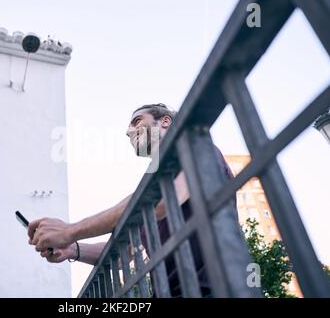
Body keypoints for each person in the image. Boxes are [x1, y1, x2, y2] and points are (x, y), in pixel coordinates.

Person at [28, 103, 235, 297]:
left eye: (137, 121)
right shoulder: (148, 192)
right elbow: (123, 254)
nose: (128, 131)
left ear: (165, 121)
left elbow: (162, 203)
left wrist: (68, 231)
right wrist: (73, 248)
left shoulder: (193, 146)